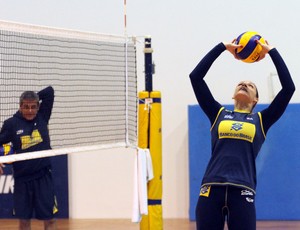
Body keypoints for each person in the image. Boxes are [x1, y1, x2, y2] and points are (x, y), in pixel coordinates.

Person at [189, 40, 295, 230]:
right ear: (233, 95)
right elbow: (195, 77)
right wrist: (222, 47)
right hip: (211, 188)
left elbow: (289, 88)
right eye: (241, 83)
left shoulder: (262, 120)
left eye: (250, 85)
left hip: (243, 190)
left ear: (255, 99)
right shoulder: (218, 114)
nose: (244, 84)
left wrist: (271, 52)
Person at [0, 86, 57, 230]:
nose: (30, 110)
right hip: (22, 179)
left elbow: (49, 91)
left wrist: (33, 97)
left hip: (43, 177)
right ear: (20, 107)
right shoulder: (11, 124)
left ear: (38, 107)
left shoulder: (43, 116)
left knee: (49, 220)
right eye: (26, 106)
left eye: (33, 106)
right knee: (24, 222)